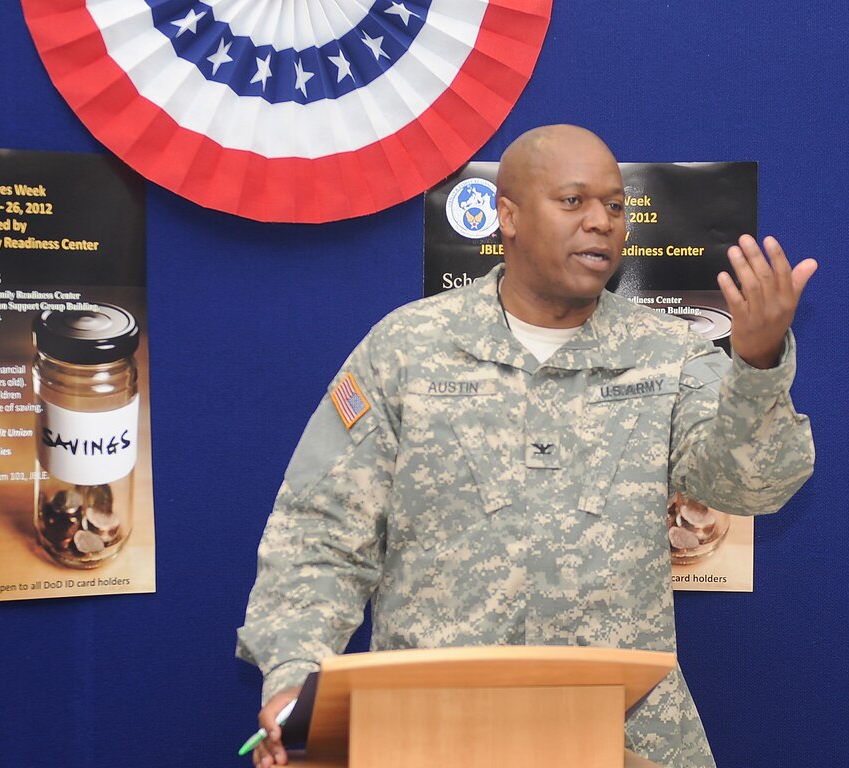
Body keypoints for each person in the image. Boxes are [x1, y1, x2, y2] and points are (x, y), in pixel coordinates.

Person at [236, 124, 816, 767]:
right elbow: (319, 534)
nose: (602, 222)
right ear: (506, 216)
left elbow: (751, 487)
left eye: (616, 206)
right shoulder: (408, 349)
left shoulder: (670, 353)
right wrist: (293, 676)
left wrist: (757, 366)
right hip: (430, 733)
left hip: (621, 737)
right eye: (573, 202)